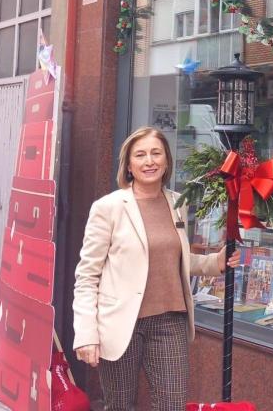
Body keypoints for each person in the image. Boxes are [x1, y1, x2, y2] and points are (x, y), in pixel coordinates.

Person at [72, 126, 238, 411]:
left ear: (166, 160)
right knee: (120, 405)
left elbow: (176, 261)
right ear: (129, 164)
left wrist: (215, 262)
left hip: (170, 321)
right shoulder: (108, 208)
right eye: (140, 155)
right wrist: (86, 333)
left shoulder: (177, 203)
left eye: (155, 153)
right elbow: (87, 276)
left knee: (172, 404)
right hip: (121, 323)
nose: (149, 161)